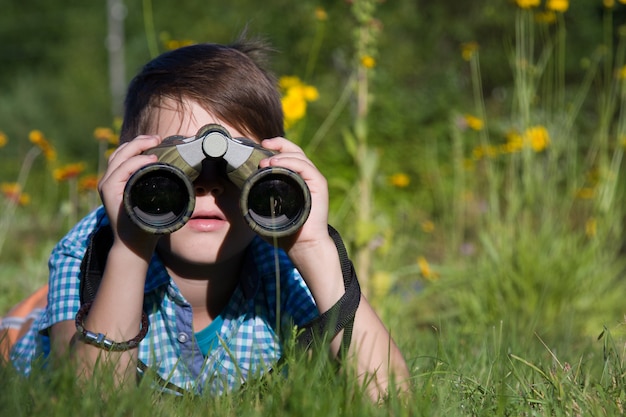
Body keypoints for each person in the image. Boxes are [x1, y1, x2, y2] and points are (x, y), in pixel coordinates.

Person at [4, 37, 409, 399]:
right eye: (181, 170)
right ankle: (31, 314)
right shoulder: (91, 247)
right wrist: (130, 245)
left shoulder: (284, 268)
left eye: (236, 171)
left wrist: (312, 246)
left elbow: (391, 401)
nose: (208, 186)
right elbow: (88, 403)